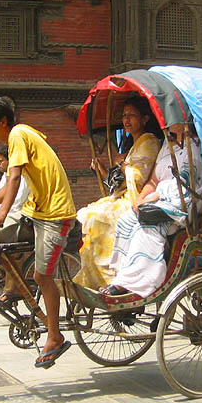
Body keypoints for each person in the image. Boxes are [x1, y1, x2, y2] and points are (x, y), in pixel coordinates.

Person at [0, 95, 77, 369]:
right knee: (0, 242)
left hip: (56, 214)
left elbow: (15, 178)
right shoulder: (19, 136)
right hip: (36, 211)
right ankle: (16, 287)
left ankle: (55, 337)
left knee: (42, 275)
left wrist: (1, 213)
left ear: (2, 121)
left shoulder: (18, 135)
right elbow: (10, 181)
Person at [103, 121, 202, 298]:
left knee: (147, 226)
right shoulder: (167, 145)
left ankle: (142, 280)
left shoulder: (193, 147)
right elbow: (153, 180)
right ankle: (123, 276)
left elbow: (186, 184)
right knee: (126, 219)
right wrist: (140, 199)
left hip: (182, 202)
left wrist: (153, 197)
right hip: (159, 199)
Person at [73, 95, 162, 290]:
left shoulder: (150, 142)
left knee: (98, 217)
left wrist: (123, 165)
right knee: (89, 214)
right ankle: (97, 276)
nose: (126, 120)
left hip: (140, 198)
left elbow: (138, 177)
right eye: (124, 116)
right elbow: (118, 183)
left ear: (145, 119)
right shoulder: (133, 147)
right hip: (124, 196)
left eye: (132, 115)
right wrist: (106, 169)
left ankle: (113, 277)